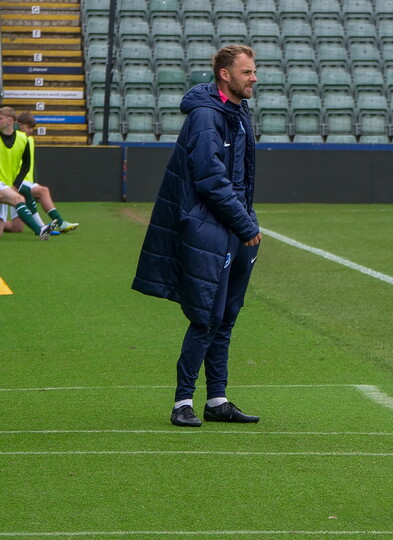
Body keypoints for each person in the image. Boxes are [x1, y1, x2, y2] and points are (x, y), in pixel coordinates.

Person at [132, 45, 262, 428]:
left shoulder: (237, 111)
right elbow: (210, 180)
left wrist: (244, 220)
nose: (254, 78)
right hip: (211, 229)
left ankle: (217, 399)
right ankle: (182, 402)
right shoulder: (207, 116)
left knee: (225, 317)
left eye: (254, 71)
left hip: (232, 228)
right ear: (225, 74)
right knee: (206, 317)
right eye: (247, 72)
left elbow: (239, 178)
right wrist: (246, 224)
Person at [2, 113, 80, 235]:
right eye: (29, 127)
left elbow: (28, 164)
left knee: (16, 228)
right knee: (39, 191)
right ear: (18, 124)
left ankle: (46, 226)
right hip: (12, 181)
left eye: (32, 128)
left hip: (21, 180)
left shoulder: (28, 140)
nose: (31, 131)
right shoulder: (12, 137)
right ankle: (48, 226)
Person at [0, 107, 55, 241]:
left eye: (0, 118)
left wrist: (14, 186)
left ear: (10, 121)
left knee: (13, 229)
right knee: (19, 199)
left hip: (7, 185)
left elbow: (26, 166)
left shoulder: (22, 139)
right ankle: (40, 230)